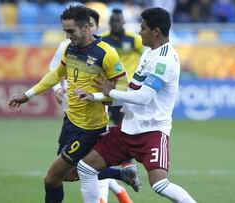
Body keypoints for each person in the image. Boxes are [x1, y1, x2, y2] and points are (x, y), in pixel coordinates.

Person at [8, 5, 139, 203]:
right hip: (70, 121)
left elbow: (123, 87)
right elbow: (57, 74)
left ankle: (120, 175)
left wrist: (96, 95)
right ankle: (122, 175)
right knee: (68, 175)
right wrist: (28, 95)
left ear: (86, 28)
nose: (68, 36)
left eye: (71, 31)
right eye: (65, 31)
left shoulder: (106, 53)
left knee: (51, 179)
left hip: (89, 129)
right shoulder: (70, 49)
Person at [75, 7, 197, 203]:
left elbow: (143, 98)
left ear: (156, 31)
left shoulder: (164, 60)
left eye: (143, 28)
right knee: (85, 167)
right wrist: (96, 97)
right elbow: (132, 92)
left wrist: (110, 92)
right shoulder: (149, 53)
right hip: (128, 129)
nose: (140, 32)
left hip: (152, 131)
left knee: (159, 185)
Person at [48, 7, 133, 203]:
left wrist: (101, 96)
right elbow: (54, 72)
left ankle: (115, 188)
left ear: (90, 27)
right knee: (72, 172)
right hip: (70, 114)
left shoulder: (101, 51)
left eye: (94, 26)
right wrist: (57, 89)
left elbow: (117, 84)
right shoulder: (66, 46)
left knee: (74, 170)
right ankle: (122, 178)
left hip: (91, 119)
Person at [101, 8, 144, 125]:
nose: (115, 24)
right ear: (109, 23)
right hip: (110, 85)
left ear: (123, 22)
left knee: (124, 120)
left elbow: (146, 57)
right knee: (106, 120)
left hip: (128, 86)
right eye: (113, 21)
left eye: (118, 21)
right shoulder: (102, 40)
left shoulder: (134, 39)